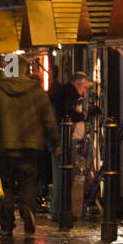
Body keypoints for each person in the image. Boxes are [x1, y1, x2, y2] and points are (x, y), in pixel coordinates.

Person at [0, 57, 58, 237]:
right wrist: (55, 142)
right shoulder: (36, 91)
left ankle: (6, 225)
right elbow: (48, 118)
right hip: (30, 147)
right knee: (28, 183)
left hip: (4, 146)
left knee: (5, 186)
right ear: (24, 70)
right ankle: (26, 208)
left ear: (8, 69)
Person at [48, 71, 91, 216]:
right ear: (77, 83)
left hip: (62, 140)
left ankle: (61, 209)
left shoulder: (66, 93)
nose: (84, 91)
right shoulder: (68, 94)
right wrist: (83, 116)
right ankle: (61, 211)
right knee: (63, 175)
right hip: (63, 141)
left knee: (64, 174)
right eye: (84, 87)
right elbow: (65, 114)